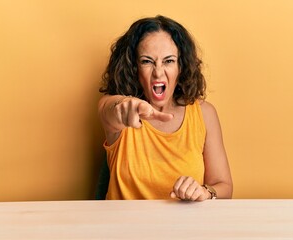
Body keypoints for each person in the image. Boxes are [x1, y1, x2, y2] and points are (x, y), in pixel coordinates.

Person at [98, 15, 232, 201]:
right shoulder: (116, 110)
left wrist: (204, 192)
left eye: (168, 61)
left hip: (184, 228)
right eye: (147, 61)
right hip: (125, 227)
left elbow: (224, 187)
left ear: (181, 67)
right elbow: (109, 109)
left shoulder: (204, 113)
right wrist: (124, 106)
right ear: (134, 68)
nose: (158, 72)